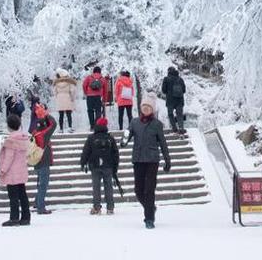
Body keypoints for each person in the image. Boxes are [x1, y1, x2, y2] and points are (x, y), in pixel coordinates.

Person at [124, 98, 171, 229]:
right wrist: (124, 141)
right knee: (138, 190)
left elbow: (162, 143)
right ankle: (150, 207)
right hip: (138, 159)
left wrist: (167, 159)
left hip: (152, 160)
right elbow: (127, 134)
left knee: (149, 190)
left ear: (152, 109)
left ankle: (149, 218)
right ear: (140, 108)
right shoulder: (134, 122)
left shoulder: (157, 124)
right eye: (144, 106)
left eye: (148, 107)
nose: (146, 108)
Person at [80, 116, 120, 215]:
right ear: (106, 126)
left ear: (97, 125)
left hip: (95, 165)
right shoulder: (110, 138)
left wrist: (83, 163)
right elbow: (115, 153)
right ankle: (110, 208)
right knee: (109, 187)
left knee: (96, 187)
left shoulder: (91, 138)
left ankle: (96, 207)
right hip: (108, 166)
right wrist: (115, 167)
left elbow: (86, 152)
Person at [0, 113, 31, 226]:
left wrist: (3, 170)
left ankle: (14, 218)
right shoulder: (24, 138)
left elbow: (9, 157)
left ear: (9, 126)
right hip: (21, 170)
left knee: (13, 196)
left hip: (12, 173)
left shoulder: (11, 140)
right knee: (23, 194)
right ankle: (26, 217)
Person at [30, 103, 57, 215]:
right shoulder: (44, 134)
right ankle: (41, 207)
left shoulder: (35, 133)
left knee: (39, 182)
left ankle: (37, 202)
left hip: (37, 159)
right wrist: (46, 114)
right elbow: (54, 124)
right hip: (44, 160)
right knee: (43, 184)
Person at [161, 67, 187, 134]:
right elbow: (184, 90)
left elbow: (163, 90)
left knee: (170, 114)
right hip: (179, 100)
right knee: (179, 115)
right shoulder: (180, 79)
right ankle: (181, 128)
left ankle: (174, 128)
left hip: (170, 101)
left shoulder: (166, 79)